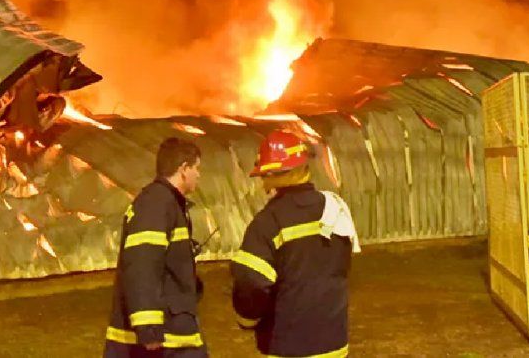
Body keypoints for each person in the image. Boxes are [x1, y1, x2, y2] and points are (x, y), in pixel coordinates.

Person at [230, 129, 359, 358]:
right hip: (334, 341)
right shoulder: (336, 209)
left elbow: (251, 281)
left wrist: (247, 320)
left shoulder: (268, 222)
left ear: (272, 176)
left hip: (291, 347)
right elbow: (342, 267)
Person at [104, 137, 207, 357]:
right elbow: (143, 262)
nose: (199, 174)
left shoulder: (164, 202)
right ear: (183, 168)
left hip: (174, 330)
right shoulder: (157, 204)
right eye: (196, 168)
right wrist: (148, 324)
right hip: (164, 337)